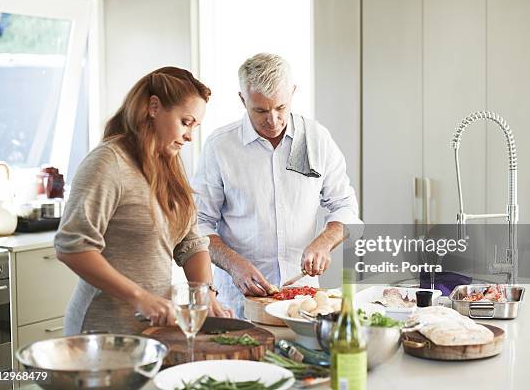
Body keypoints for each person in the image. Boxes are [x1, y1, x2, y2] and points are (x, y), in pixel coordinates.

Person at [55, 66, 233, 335]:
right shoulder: (108, 163)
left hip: (149, 331)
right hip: (101, 331)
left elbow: (191, 242)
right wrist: (140, 297)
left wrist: (204, 293)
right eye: (186, 122)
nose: (189, 136)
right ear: (153, 107)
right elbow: (73, 247)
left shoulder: (169, 165)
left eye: (195, 126)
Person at [192, 53, 362, 317]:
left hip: (303, 303)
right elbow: (198, 223)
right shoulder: (220, 147)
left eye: (281, 107)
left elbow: (345, 206)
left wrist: (325, 241)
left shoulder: (317, 139)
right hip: (239, 301)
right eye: (260, 110)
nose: (272, 120)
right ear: (242, 99)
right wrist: (234, 264)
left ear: (292, 93)